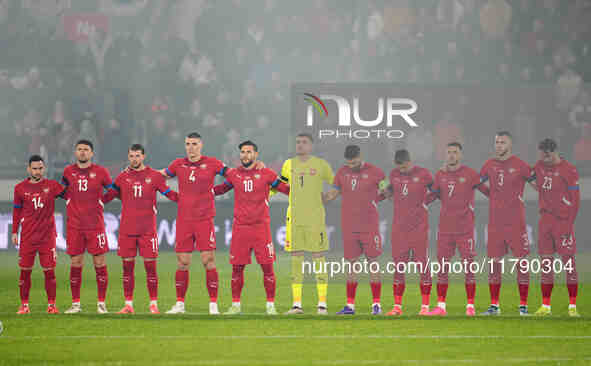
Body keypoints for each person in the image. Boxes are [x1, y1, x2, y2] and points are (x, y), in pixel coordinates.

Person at [213, 140, 289, 315]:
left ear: (256, 155)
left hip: (261, 228)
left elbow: (286, 189)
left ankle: (270, 306)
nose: (245, 155)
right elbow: (220, 189)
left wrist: (304, 191)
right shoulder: (234, 174)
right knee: (237, 268)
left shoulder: (267, 174)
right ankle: (236, 305)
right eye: (243, 152)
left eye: (249, 152)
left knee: (267, 267)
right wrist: (201, 192)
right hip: (241, 228)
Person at [103, 144, 178, 314]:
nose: (134, 159)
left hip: (147, 230)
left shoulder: (155, 176)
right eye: (131, 156)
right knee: (127, 268)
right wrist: (94, 202)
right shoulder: (122, 177)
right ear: (128, 157)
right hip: (127, 229)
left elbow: (169, 194)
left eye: (137, 156)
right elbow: (109, 196)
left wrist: (186, 201)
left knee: (150, 267)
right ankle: (128, 304)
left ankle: (153, 304)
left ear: (143, 156)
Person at [161, 132, 229, 315]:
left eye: (194, 144)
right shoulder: (178, 164)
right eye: (188, 144)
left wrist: (217, 191)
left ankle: (213, 305)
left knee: (208, 260)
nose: (191, 147)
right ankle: (180, 304)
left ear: (201, 145)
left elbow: (233, 176)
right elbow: (159, 178)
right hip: (184, 220)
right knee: (183, 262)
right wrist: (171, 195)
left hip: (204, 219)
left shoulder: (213, 163)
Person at [424, 142, 489, 316]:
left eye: (455, 152)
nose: (452, 155)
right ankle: (441, 307)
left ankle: (470, 306)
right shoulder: (440, 175)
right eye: (449, 152)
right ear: (445, 155)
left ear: (461, 155)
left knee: (468, 267)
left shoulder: (470, 174)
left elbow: (488, 192)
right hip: (445, 229)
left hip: (465, 228)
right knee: (443, 267)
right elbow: (432, 196)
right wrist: (417, 203)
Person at [323, 145, 387, 315]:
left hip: (369, 226)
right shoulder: (342, 173)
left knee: (373, 263)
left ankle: (376, 305)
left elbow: (387, 189)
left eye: (354, 162)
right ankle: (350, 305)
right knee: (351, 264)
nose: (351, 166)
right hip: (349, 226)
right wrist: (320, 198)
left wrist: (378, 197)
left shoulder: (376, 172)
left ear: (360, 156)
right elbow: (333, 194)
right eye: (349, 163)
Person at [479, 131, 534, 316]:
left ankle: (523, 306)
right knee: (494, 263)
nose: (499, 145)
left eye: (502, 142)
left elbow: (538, 183)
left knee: (522, 263)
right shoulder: (489, 165)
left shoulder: (520, 165)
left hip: (516, 223)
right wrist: (491, 195)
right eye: (496, 142)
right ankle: (494, 306)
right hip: (495, 223)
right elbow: (476, 183)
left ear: (510, 145)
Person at [281, 133, 334, 315]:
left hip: (315, 219)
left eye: (304, 142)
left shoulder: (321, 165)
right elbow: (280, 185)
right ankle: (297, 305)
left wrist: (329, 196)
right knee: (296, 260)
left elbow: (337, 183)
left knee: (318, 257)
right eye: (298, 142)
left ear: (311, 146)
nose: (300, 145)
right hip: (294, 218)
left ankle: (322, 305)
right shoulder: (288, 164)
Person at [61, 140, 113, 314]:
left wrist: (102, 200)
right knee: (76, 263)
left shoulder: (101, 172)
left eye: (86, 150)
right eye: (80, 149)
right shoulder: (68, 172)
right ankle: (76, 304)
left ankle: (101, 303)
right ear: (76, 152)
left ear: (92, 153)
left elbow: (113, 190)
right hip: (75, 226)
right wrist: (69, 200)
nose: (82, 152)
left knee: (99, 262)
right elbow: (62, 190)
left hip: (95, 225)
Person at [531, 139, 580, 317]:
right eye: (543, 153)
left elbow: (576, 200)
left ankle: (573, 306)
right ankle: (546, 306)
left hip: (562, 222)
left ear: (555, 152)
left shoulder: (569, 170)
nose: (546, 157)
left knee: (569, 263)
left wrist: (569, 223)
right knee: (546, 263)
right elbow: (530, 177)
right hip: (545, 220)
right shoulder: (539, 166)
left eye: (549, 154)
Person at [381, 149, 433, 316]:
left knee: (422, 265)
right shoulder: (394, 174)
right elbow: (389, 191)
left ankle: (425, 307)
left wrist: (426, 203)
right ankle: (397, 306)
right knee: (398, 267)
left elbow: (437, 191)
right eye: (399, 168)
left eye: (404, 167)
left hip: (419, 228)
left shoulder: (423, 174)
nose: (401, 170)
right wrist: (384, 194)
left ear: (410, 162)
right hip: (399, 229)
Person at [12, 155, 66, 314]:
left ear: (44, 168)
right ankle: (24, 305)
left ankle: (51, 305)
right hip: (28, 237)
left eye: (40, 168)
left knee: (49, 271)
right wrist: (15, 231)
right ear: (29, 169)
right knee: (25, 272)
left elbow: (70, 194)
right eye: (34, 168)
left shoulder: (52, 186)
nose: (37, 171)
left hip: (47, 237)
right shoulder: (20, 188)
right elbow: (16, 211)